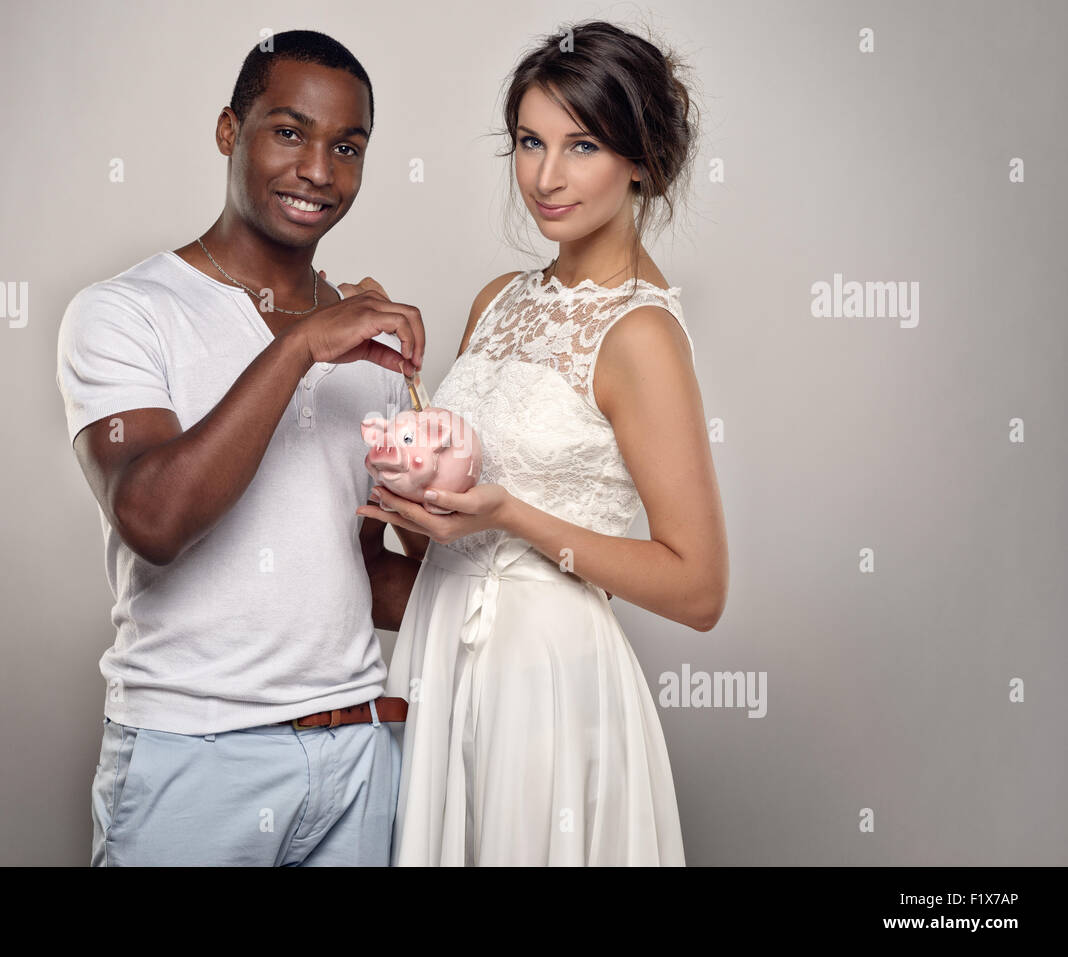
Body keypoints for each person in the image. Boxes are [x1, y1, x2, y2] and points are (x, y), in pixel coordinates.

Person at [353, 20, 729, 865]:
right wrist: (409, 479)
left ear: (641, 160)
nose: (546, 178)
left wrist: (512, 516)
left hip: (548, 678)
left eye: (581, 145)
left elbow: (699, 587)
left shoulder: (640, 335)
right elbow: (439, 527)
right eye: (529, 142)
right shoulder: (497, 299)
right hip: (438, 648)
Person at [55, 30, 429, 866]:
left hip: (359, 755)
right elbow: (153, 515)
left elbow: (359, 568)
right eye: (288, 132)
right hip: (194, 756)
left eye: (348, 146)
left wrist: (528, 578)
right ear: (230, 131)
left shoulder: (370, 346)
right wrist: (298, 347)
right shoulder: (124, 312)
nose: (319, 171)